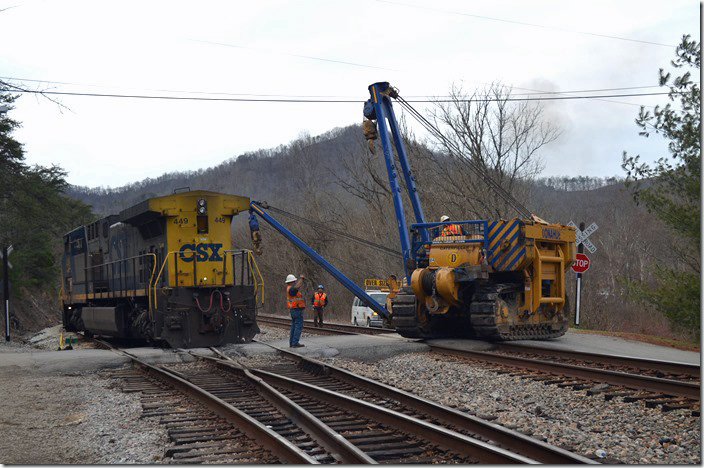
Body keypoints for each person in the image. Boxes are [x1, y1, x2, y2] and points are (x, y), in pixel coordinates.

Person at [285, 273, 306, 348]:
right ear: (291, 281)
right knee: (298, 326)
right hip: (296, 310)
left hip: (294, 310)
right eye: (294, 281)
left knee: (294, 326)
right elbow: (296, 287)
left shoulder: (289, 289)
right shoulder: (291, 289)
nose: (295, 282)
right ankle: (295, 343)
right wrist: (301, 279)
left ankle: (292, 343)